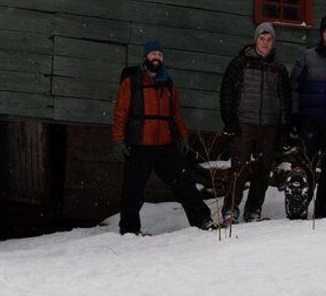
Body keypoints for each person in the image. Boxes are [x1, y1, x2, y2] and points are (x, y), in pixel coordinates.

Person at [111, 40, 216, 234]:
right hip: (140, 145)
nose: (156, 58)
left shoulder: (168, 83)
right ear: (145, 57)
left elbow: (175, 113)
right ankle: (129, 231)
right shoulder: (131, 82)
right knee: (133, 191)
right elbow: (121, 112)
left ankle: (203, 220)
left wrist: (182, 136)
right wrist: (118, 140)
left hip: (165, 146)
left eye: (159, 55)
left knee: (184, 184)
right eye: (153, 54)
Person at [219, 23, 291, 224]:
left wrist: (284, 129)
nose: (265, 43)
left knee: (262, 170)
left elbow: (285, 100)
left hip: (269, 126)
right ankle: (230, 209)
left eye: (269, 40)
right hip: (244, 124)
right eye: (262, 38)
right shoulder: (240, 63)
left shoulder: (279, 69)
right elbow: (227, 93)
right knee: (239, 169)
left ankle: (254, 209)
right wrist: (229, 121)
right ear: (255, 40)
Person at [289, 14, 326, 219]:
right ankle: (299, 206)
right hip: (310, 120)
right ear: (322, 34)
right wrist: (295, 116)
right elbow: (294, 86)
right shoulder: (308, 57)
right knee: (307, 164)